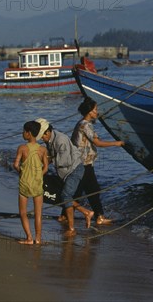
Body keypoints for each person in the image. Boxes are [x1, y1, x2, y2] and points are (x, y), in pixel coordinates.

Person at [71, 97, 125, 226]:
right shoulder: (85, 125)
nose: (97, 112)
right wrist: (116, 143)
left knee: (81, 191)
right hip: (83, 163)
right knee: (93, 190)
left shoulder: (81, 123)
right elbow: (97, 143)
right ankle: (99, 217)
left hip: (81, 162)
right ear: (90, 111)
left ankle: (65, 215)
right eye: (95, 109)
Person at [37, 118, 93, 237]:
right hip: (65, 172)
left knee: (66, 196)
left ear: (47, 132)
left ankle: (72, 228)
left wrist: (46, 162)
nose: (42, 139)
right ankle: (86, 212)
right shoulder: (50, 139)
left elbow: (63, 161)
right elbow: (51, 156)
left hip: (74, 170)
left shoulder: (60, 140)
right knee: (65, 196)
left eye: (42, 136)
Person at [13, 120, 49, 244]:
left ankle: (29, 237)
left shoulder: (22, 148)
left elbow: (16, 164)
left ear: (28, 133)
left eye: (24, 131)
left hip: (24, 183)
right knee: (38, 213)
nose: (22, 133)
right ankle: (38, 239)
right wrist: (38, 175)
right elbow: (46, 167)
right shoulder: (43, 149)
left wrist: (22, 172)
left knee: (23, 212)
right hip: (37, 183)